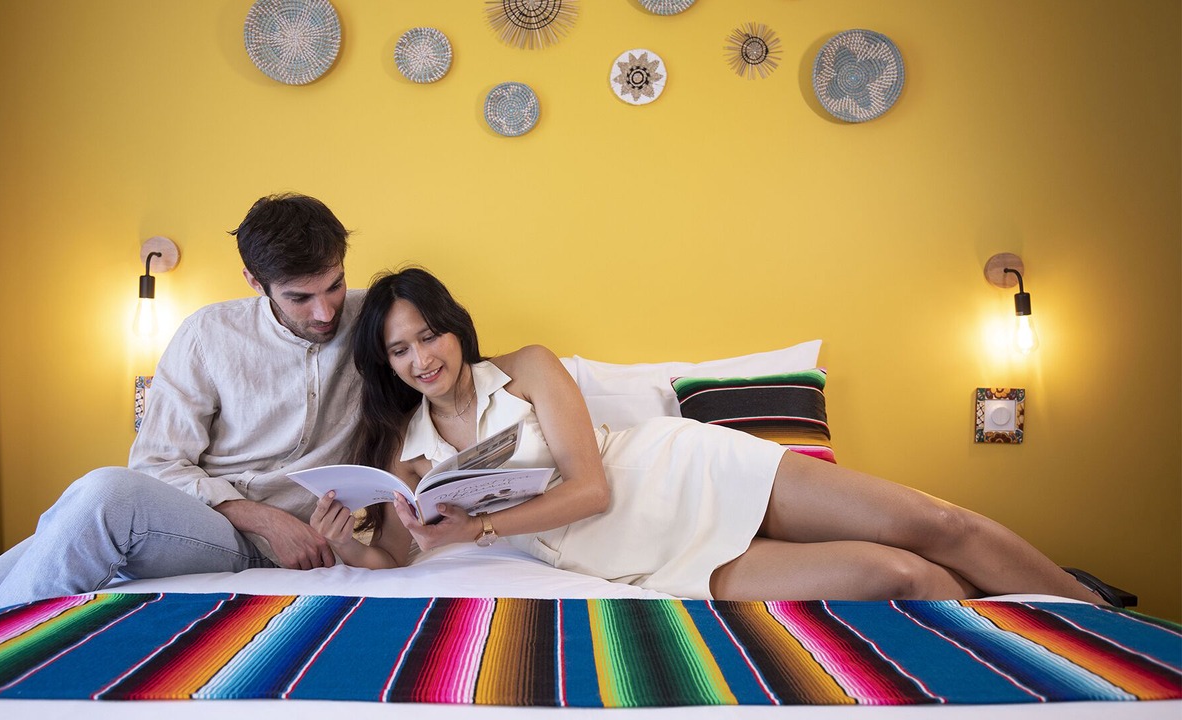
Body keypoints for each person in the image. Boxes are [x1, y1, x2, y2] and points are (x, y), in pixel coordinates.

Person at [310, 267, 1109, 606]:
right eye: (399, 349)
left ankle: (1088, 618)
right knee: (897, 575)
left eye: (428, 335)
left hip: (689, 473)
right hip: (646, 559)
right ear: (385, 364)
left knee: (939, 525)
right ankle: (1011, 635)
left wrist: (479, 526)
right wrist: (351, 544)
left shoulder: (525, 369)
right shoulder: (407, 451)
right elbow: (402, 558)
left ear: (453, 325)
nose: (422, 358)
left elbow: (591, 487)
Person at [0, 193, 364, 639]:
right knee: (83, 512)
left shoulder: (377, 320)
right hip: (216, 525)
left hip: (286, 548)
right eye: (300, 297)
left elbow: (434, 361)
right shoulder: (209, 333)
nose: (325, 311)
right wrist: (265, 519)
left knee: (101, 500)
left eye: (335, 286)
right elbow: (155, 464)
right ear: (253, 281)